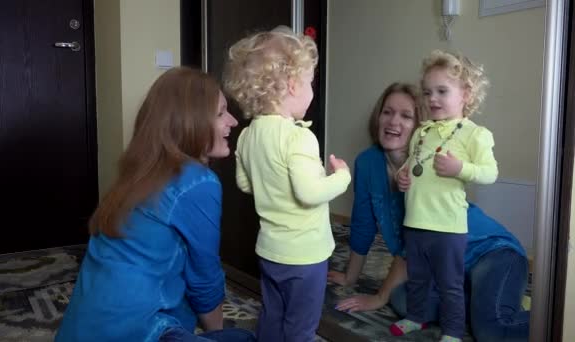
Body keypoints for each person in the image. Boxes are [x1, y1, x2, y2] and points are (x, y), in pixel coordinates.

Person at [54, 67, 256, 342]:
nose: (233, 121)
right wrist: (216, 335)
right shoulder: (198, 182)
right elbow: (205, 279)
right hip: (136, 329)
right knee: (243, 338)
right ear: (188, 121)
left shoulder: (140, 170)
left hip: (84, 328)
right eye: (221, 113)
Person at [328, 81, 529, 342]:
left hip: (490, 254)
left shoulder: (435, 164)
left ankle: (505, 304)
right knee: (402, 300)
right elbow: (363, 224)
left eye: (406, 115)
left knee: (491, 330)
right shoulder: (368, 161)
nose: (393, 122)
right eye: (387, 112)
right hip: (440, 266)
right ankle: (483, 298)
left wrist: (378, 296)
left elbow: (408, 249)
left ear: (421, 128)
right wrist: (349, 277)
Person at [223, 26, 351, 342]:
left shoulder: (247, 136)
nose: (311, 89)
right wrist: (341, 177)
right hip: (305, 257)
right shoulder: (298, 137)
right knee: (301, 327)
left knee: (272, 313)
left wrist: (273, 183)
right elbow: (309, 193)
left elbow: (245, 184)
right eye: (309, 82)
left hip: (269, 251)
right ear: (293, 85)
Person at [388, 50, 498, 342]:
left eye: (442, 91)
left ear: (466, 94)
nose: (432, 99)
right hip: (415, 222)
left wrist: (461, 168)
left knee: (449, 284)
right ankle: (416, 317)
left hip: (447, 227)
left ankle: (452, 331)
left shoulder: (475, 134)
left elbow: (490, 173)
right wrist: (403, 175)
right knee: (418, 278)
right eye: (427, 92)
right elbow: (414, 163)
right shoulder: (422, 131)